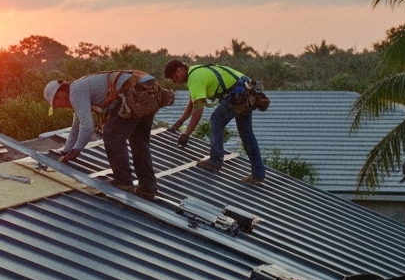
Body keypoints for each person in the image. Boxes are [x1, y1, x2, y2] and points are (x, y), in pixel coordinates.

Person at [43, 71, 161, 200]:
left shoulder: (75, 92)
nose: (62, 107)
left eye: (58, 104)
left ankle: (123, 181)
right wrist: (66, 150)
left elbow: (87, 127)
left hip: (134, 90)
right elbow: (77, 126)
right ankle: (148, 188)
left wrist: (76, 150)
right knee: (139, 141)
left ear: (60, 94)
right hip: (151, 88)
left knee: (112, 136)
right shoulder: (80, 88)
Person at [162, 60, 268, 184]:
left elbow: (198, 112)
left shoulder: (194, 78)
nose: (175, 82)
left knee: (216, 120)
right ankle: (258, 174)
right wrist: (179, 123)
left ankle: (215, 161)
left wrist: (186, 135)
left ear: (180, 70)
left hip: (238, 92)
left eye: (174, 77)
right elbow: (193, 102)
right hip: (246, 88)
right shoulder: (196, 71)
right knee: (246, 134)